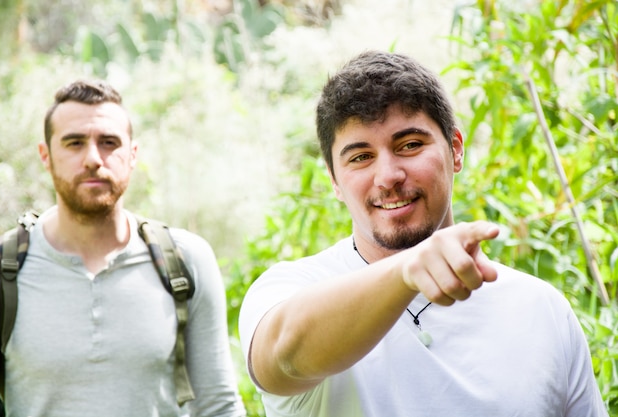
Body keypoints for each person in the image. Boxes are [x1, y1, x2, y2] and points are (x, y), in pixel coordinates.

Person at [238, 51, 608, 417]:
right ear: (335, 181)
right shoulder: (290, 288)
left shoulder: (542, 310)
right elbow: (282, 359)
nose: (388, 176)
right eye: (360, 157)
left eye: (410, 145)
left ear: (455, 149)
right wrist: (406, 272)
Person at [0, 80, 246, 417]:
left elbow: (219, 405)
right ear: (46, 156)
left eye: (109, 143)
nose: (94, 159)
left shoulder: (186, 260)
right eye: (74, 143)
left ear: (132, 155)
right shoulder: (1, 271)